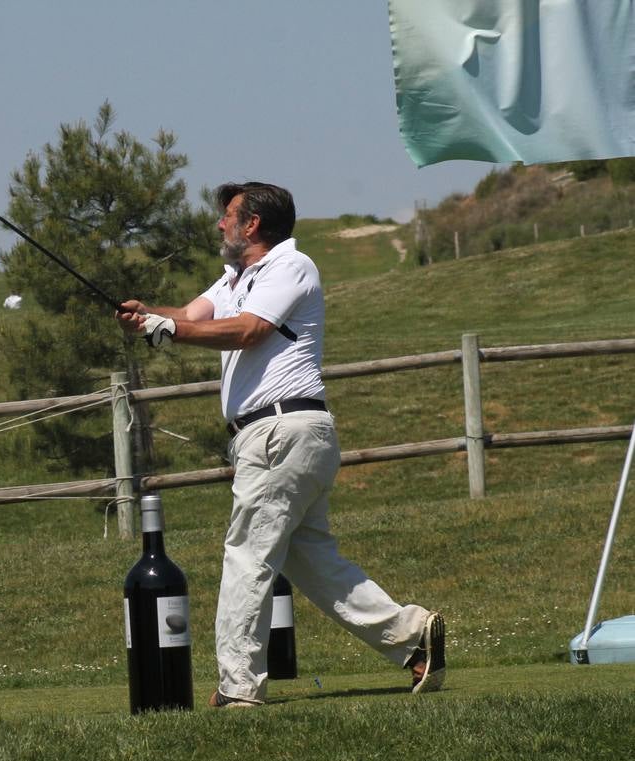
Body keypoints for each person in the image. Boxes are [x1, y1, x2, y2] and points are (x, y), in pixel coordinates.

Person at [118, 181, 445, 707]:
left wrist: (169, 330)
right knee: (312, 561)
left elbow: (247, 330)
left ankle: (238, 688)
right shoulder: (234, 277)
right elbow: (190, 315)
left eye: (228, 216)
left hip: (280, 431)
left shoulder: (291, 267)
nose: (220, 224)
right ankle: (412, 637)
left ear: (252, 225)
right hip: (281, 436)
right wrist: (148, 316)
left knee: (247, 555)